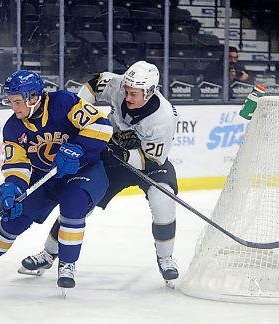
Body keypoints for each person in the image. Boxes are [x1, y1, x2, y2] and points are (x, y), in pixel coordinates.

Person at [19, 61, 180, 287]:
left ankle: (166, 258)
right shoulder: (119, 84)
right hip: (111, 157)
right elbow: (94, 85)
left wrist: (120, 153)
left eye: (134, 94)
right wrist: (76, 115)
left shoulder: (164, 118)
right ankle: (48, 253)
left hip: (148, 164)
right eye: (126, 91)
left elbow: (151, 159)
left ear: (150, 91)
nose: (128, 97)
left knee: (163, 199)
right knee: (79, 200)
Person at [0, 70, 113, 289]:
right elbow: (18, 165)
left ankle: (67, 265)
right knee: (15, 215)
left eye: (17, 101)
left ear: (33, 97)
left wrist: (78, 149)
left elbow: (101, 125)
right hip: (45, 176)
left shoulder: (63, 102)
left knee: (74, 202)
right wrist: (12, 187)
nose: (14, 108)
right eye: (10, 102)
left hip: (85, 170)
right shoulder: (13, 127)